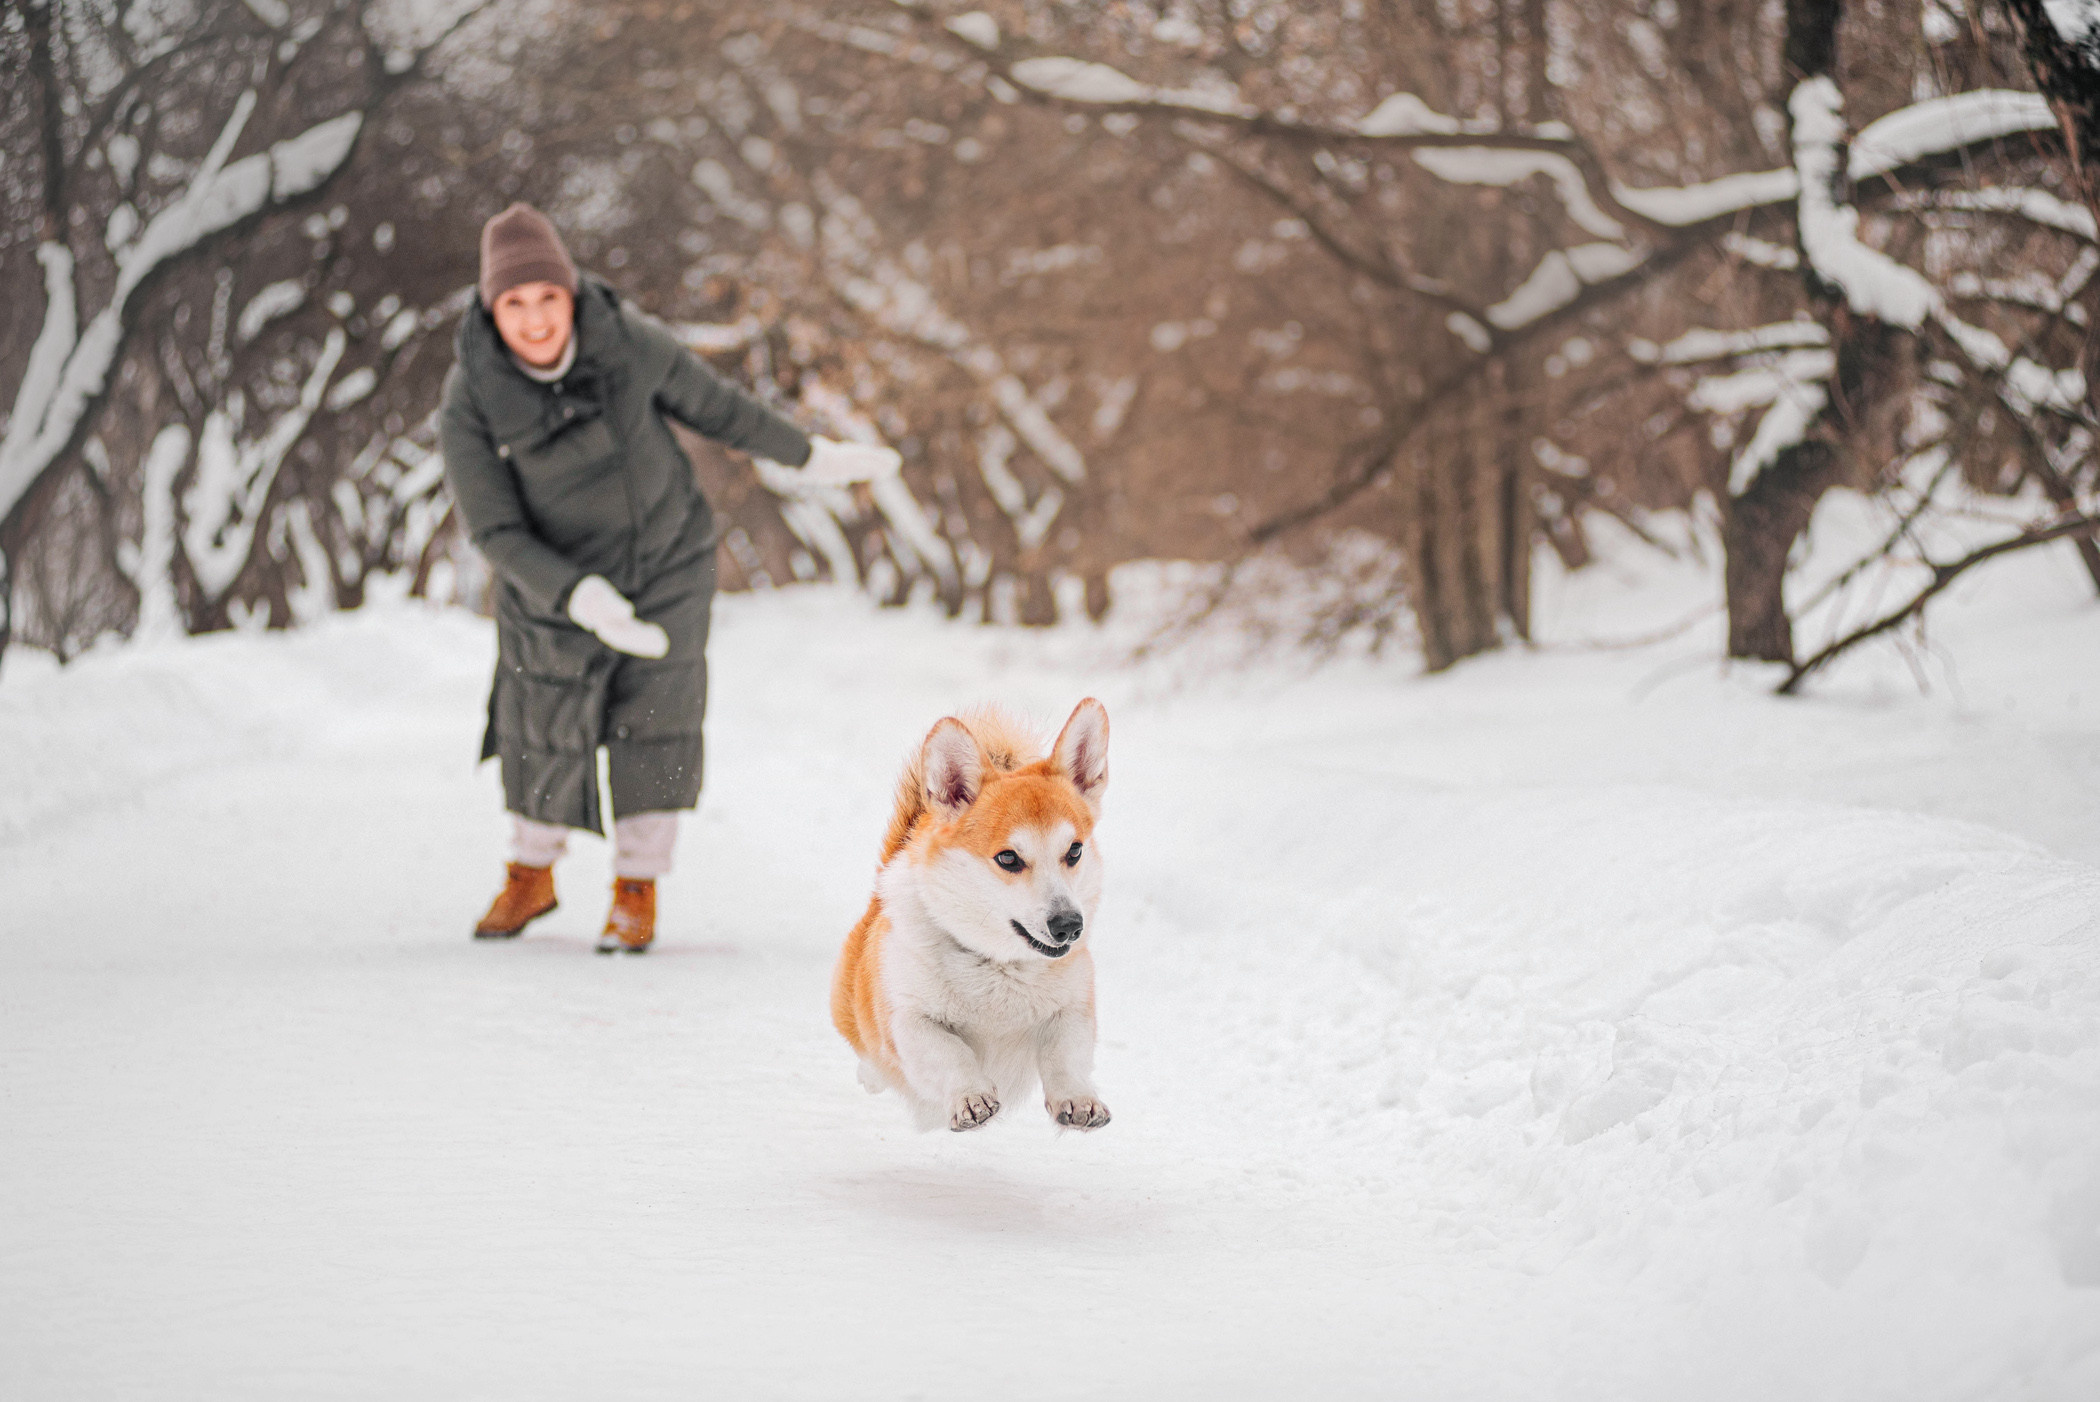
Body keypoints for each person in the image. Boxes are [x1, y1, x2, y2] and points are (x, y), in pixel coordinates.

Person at [440, 203, 896, 953]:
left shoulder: (627, 344)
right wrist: (578, 596)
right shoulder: (472, 396)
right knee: (544, 719)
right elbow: (493, 529)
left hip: (666, 561)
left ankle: (636, 889)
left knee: (657, 718)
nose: (535, 319)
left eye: (547, 298)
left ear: (570, 294)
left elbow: (719, 409)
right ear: (492, 310)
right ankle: (531, 875)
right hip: (551, 583)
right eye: (515, 304)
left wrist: (810, 456)